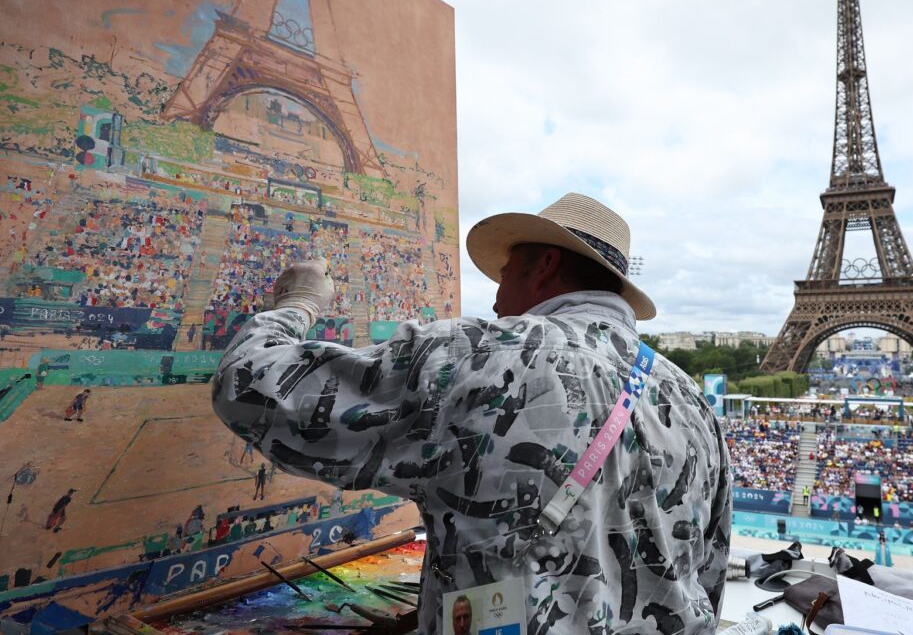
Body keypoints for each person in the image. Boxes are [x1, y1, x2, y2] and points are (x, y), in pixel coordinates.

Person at [212, 193, 731, 633]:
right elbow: (707, 575)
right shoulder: (692, 403)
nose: (498, 296)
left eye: (505, 274)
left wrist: (297, 305)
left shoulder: (475, 356)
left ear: (545, 265)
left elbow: (249, 385)